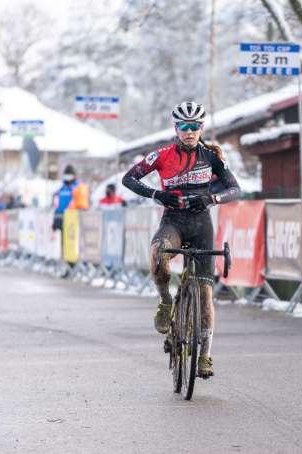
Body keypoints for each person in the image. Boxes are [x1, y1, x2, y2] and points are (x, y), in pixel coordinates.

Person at [122, 101, 241, 379]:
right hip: (173, 221)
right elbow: (130, 179)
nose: (190, 131)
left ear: (202, 128)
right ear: (176, 128)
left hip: (201, 225)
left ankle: (206, 356)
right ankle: (165, 301)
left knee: (205, 294)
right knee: (157, 253)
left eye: (195, 126)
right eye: (184, 127)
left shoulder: (212, 156)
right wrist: (157, 195)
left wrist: (212, 198)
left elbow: (235, 188)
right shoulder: (162, 155)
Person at [52, 165, 90, 230]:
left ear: (74, 176)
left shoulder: (79, 187)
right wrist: (56, 218)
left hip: (73, 218)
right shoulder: (62, 188)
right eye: (65, 176)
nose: (67, 178)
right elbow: (59, 205)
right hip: (61, 218)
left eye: (69, 176)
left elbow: (83, 205)